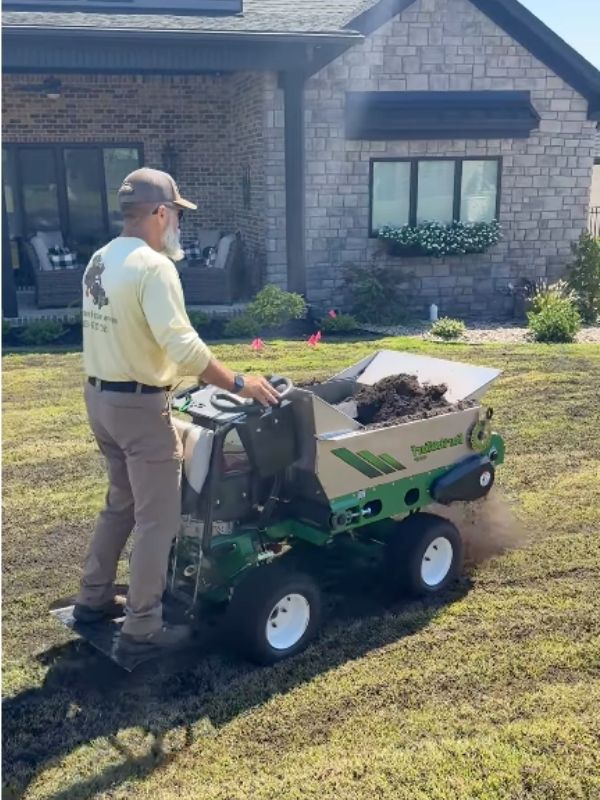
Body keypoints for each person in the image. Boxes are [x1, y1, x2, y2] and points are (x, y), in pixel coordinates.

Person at [73, 167, 279, 655]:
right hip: (139, 410)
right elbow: (183, 347)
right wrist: (239, 382)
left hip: (99, 400)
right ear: (160, 213)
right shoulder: (152, 266)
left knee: (120, 503)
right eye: (176, 217)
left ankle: (92, 600)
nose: (178, 227)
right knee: (157, 520)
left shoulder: (101, 259)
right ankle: (142, 625)